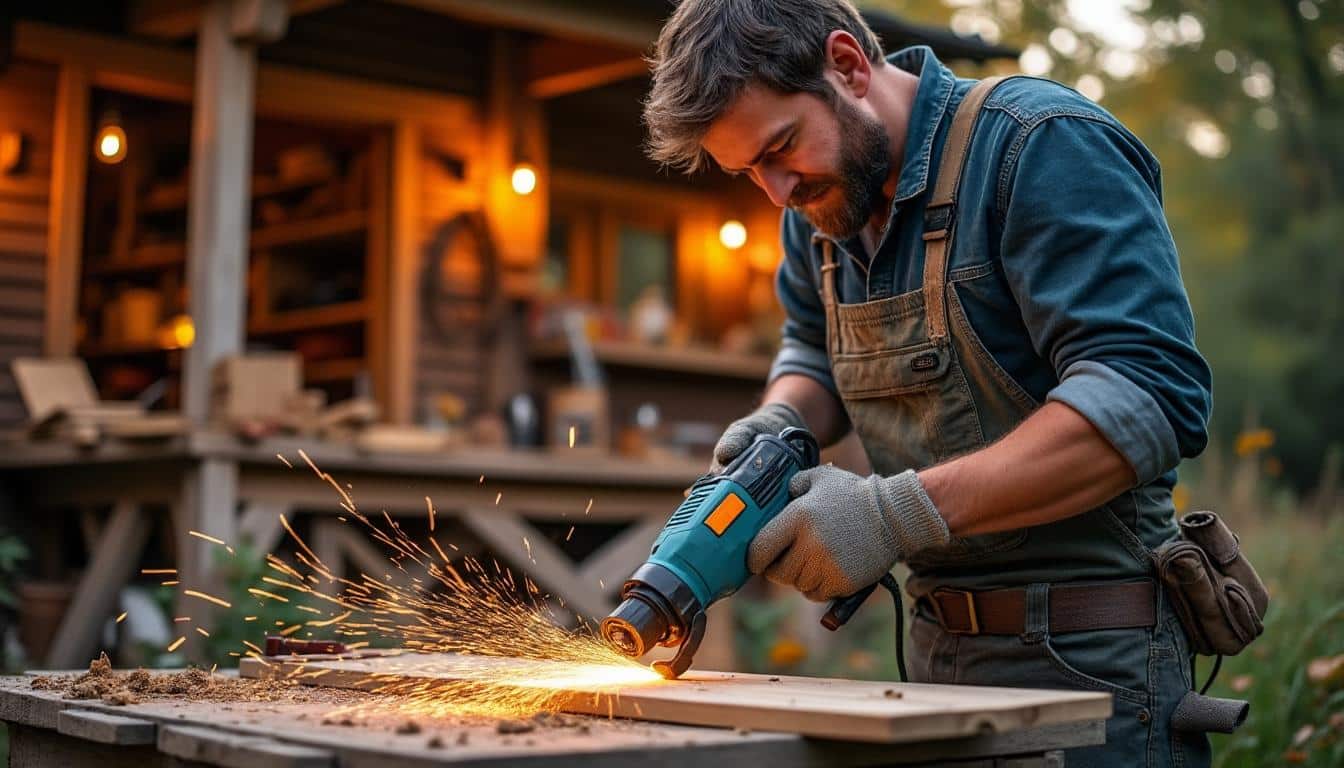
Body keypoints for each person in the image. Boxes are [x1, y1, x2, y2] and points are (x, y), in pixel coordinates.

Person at [643, 2, 1214, 766]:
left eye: (781, 147)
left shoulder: (1037, 147)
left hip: (1097, 665)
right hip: (935, 658)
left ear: (846, 65)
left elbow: (1146, 395)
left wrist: (894, 515)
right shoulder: (815, 210)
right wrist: (779, 426)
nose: (775, 191)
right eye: (748, 171)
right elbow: (812, 349)